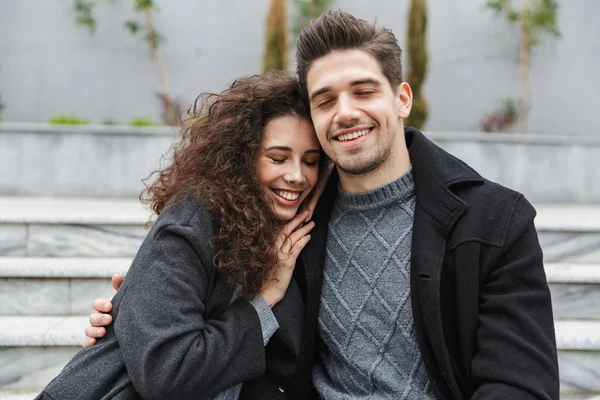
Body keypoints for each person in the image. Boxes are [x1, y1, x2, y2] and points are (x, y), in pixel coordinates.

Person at [87, 10, 560, 400]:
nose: (346, 111)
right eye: (325, 100)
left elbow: (519, 385)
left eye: (363, 91)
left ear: (402, 98)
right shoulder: (279, 224)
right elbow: (194, 332)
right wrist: (130, 317)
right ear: (313, 117)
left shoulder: (496, 221)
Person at [36, 73, 330, 400]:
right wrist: (265, 299)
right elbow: (167, 372)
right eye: (277, 158)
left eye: (311, 161)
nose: (296, 176)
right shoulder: (193, 222)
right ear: (242, 157)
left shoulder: (295, 234)